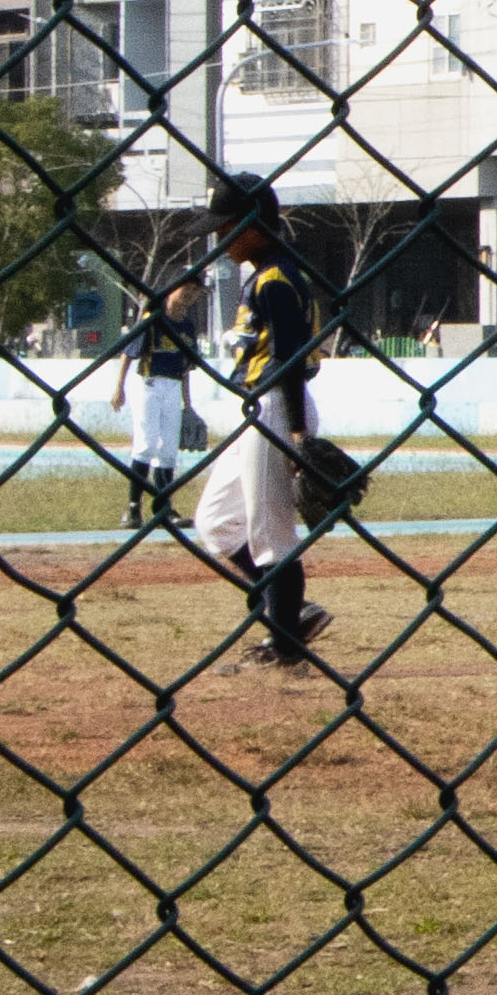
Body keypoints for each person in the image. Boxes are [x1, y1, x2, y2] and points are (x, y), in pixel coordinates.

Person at [177, 173, 334, 672]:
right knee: (216, 522)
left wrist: (295, 434)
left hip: (276, 408)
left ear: (252, 225)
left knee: (272, 533)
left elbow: (289, 356)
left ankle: (286, 645)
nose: (218, 238)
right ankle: (293, 613)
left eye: (225, 227)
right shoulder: (263, 274)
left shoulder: (276, 279)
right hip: (258, 409)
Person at [119, 269, 200, 534]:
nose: (190, 295)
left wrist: (188, 405)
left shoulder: (187, 326)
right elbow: (128, 354)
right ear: (173, 288)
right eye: (186, 288)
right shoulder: (153, 318)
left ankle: (164, 506)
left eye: (195, 291)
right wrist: (117, 388)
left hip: (173, 386)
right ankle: (133, 507)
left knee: (167, 449)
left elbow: (186, 369)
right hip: (149, 383)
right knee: (145, 444)